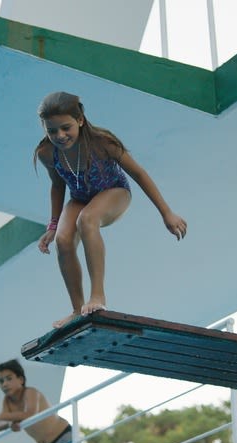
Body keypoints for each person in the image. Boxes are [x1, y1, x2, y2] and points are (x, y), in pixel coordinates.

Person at [34, 91, 187, 328]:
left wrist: (166, 213)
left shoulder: (102, 143)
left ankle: (98, 296)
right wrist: (53, 226)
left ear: (80, 120)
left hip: (115, 191)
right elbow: (57, 185)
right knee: (63, 241)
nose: (60, 136)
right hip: (80, 197)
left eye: (66, 128)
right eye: (52, 131)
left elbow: (139, 173)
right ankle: (77, 310)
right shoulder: (47, 153)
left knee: (87, 219)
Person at [0, 359, 73, 443]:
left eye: (9, 378)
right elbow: (2, 425)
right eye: (1, 381)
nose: (5, 384)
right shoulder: (7, 401)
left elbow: (30, 414)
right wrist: (10, 425)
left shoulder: (30, 392)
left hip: (63, 436)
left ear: (21, 379)